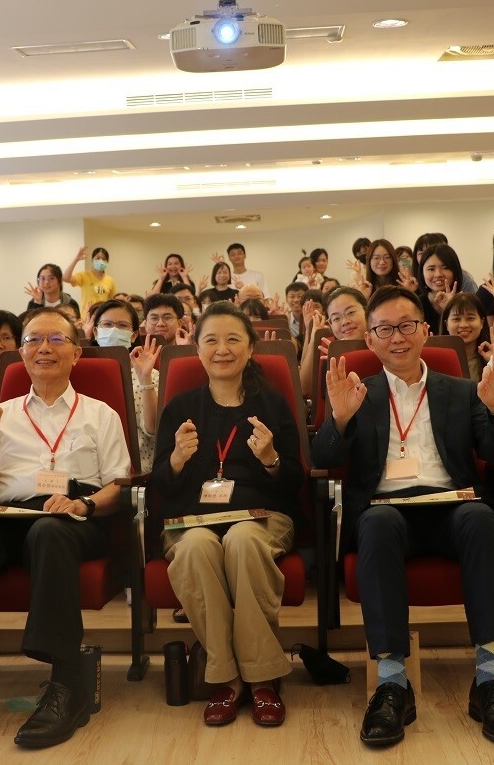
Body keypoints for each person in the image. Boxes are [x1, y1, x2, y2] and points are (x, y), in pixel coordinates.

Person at [311, 285, 494, 749]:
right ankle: (393, 685)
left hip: (453, 503)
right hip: (387, 510)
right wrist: (340, 420)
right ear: (370, 340)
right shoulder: (356, 392)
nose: (397, 337)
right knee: (376, 523)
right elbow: (323, 457)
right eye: (384, 329)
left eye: (406, 325)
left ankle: (489, 681)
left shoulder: (464, 390)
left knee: (483, 520)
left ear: (426, 330)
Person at [0, 308, 131, 749]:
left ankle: (64, 686)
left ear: (77, 352)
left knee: (50, 531)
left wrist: (83, 503)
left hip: (74, 515)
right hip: (11, 513)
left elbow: (119, 485)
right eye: (34, 340)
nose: (44, 348)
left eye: (56, 340)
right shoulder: (1, 414)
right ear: (20, 353)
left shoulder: (101, 414)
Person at [152, 302, 303, 728]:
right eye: (211, 340)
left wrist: (271, 459)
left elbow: (294, 480)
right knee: (197, 549)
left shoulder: (270, 405)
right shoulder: (180, 407)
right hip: (191, 521)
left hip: (261, 516)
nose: (222, 349)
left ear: (251, 348)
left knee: (242, 540)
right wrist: (178, 460)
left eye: (233, 339)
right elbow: (161, 483)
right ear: (196, 350)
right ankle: (230, 677)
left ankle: (260, 681)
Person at [92, 298, 160, 471]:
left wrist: (145, 380)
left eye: (122, 325)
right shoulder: (81, 374)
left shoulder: (151, 375)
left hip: (136, 469)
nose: (114, 330)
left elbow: (152, 429)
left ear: (134, 334)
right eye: (107, 324)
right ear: (95, 332)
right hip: (88, 469)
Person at [299, 287, 369, 398]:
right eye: (336, 318)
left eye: (350, 312)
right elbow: (304, 389)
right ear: (330, 324)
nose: (345, 321)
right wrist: (314, 337)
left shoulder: (384, 341)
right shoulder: (327, 347)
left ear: (367, 311)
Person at [442, 293, 494, 381]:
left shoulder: (491, 358)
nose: (463, 325)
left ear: (482, 322)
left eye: (470, 318)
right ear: (446, 324)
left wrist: (492, 362)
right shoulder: (438, 358)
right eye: (456, 319)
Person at [417, 243, 464, 335]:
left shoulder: (467, 303)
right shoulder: (416, 305)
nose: (438, 274)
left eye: (445, 267)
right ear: (422, 273)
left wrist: (450, 307)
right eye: (431, 269)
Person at [63, 246, 117, 313]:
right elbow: (65, 278)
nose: (101, 261)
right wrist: (76, 259)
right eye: (98, 258)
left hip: (102, 317)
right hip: (86, 317)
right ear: (92, 260)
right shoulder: (84, 276)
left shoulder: (110, 280)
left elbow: (113, 301)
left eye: (104, 259)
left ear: (107, 262)